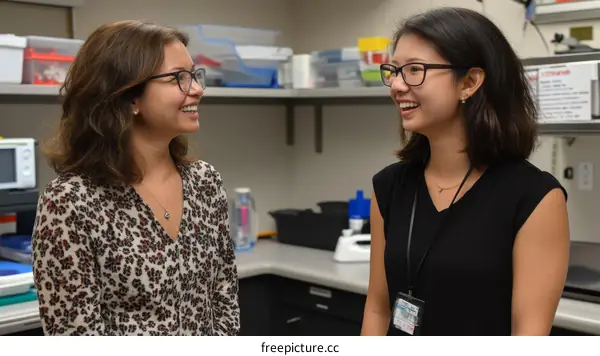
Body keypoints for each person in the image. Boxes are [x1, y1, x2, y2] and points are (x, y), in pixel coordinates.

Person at [361, 7, 570, 336]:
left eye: (415, 70)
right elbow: (377, 306)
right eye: (395, 71)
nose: (397, 86)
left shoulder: (535, 199)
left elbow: (528, 334)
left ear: (469, 82)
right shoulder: (389, 187)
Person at [31, 20, 240, 336]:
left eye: (195, 75)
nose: (197, 89)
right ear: (129, 97)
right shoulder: (71, 201)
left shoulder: (204, 182)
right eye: (177, 78)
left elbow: (224, 298)